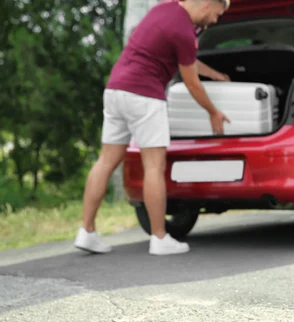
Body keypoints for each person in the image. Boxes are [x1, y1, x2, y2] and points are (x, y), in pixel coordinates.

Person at [74, 0, 231, 256]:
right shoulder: (184, 31)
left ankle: (87, 232)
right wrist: (213, 112)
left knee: (106, 161)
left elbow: (185, 61)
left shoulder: (162, 10)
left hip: (116, 90)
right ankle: (159, 238)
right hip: (145, 97)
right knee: (154, 166)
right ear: (206, 5)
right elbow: (191, 82)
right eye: (217, 14)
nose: (215, 20)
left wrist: (214, 74)